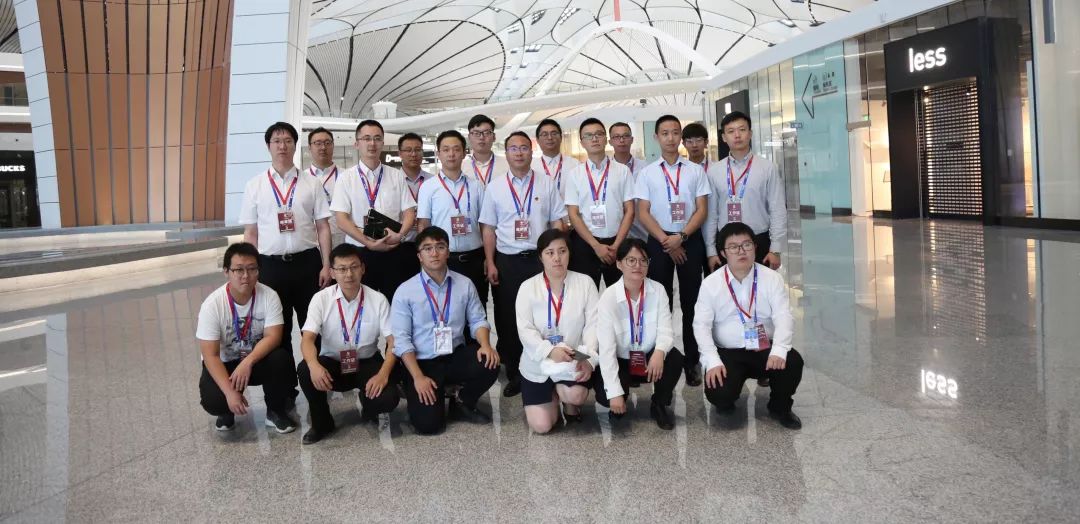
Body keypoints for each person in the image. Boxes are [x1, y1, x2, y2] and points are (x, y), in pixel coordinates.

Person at [239, 122, 333, 377]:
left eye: (288, 141)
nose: (282, 146)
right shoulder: (255, 185)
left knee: (313, 325)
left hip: (308, 264)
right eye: (277, 141)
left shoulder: (311, 183)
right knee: (277, 328)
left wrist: (326, 265)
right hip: (270, 266)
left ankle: (317, 380)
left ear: (295, 145)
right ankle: (285, 388)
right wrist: (251, 270)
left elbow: (323, 227)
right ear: (268, 146)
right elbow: (251, 233)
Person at [480, 131, 568, 397]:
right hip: (507, 261)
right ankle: (516, 372)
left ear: (532, 151)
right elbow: (488, 228)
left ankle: (547, 363)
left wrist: (557, 256)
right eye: (513, 148)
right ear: (506, 153)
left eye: (523, 148)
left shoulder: (546, 183)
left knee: (544, 313)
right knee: (508, 317)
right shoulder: (495, 187)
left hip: (540, 261)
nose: (519, 153)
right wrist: (490, 262)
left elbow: (557, 221)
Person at [693, 222, 803, 430]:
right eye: (733, 247)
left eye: (746, 245)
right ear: (723, 253)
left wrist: (779, 349)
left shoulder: (772, 278)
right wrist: (712, 360)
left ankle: (780, 407)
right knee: (719, 393)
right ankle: (727, 400)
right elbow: (701, 326)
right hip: (729, 351)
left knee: (792, 362)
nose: (741, 251)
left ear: (755, 247)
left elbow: (783, 316)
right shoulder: (711, 284)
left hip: (764, 347)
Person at [391, 227, 501, 435]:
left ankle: (462, 402)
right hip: (422, 362)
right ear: (419, 256)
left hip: (454, 355)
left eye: (440, 247)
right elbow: (401, 340)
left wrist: (486, 345)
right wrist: (418, 377)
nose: (434, 253)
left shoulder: (464, 284)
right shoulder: (405, 291)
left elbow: (478, 320)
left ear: (448, 252)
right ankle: (419, 388)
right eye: (427, 248)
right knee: (428, 426)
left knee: (490, 361)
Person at [634, 114, 711, 387]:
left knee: (692, 303)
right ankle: (661, 359)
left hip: (689, 239)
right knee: (659, 302)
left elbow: (702, 209)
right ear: (656, 137)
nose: (670, 138)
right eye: (665, 133)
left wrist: (682, 236)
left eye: (675, 132)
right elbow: (643, 212)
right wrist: (667, 241)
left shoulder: (695, 171)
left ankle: (692, 361)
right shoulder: (647, 173)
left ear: (681, 136)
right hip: (658, 241)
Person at [296, 244, 399, 444]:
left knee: (388, 398)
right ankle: (322, 422)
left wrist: (383, 374)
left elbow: (392, 341)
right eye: (342, 269)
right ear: (332, 273)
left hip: (366, 361)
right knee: (306, 370)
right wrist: (314, 365)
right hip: (333, 363)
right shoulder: (321, 299)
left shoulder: (378, 299)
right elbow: (307, 338)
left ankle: (369, 404)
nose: (349, 274)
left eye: (354, 267)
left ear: (363, 269)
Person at [196, 242, 297, 434]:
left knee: (281, 359)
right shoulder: (212, 305)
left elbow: (273, 337)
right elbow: (210, 355)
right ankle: (226, 410)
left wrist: (248, 362)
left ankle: (275, 411)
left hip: (255, 360)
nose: (246, 276)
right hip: (225, 364)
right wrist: (229, 392)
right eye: (239, 270)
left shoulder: (269, 296)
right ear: (226, 272)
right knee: (215, 401)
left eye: (252, 269)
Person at [593, 238, 683, 430]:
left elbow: (666, 330)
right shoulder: (608, 297)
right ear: (619, 264)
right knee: (605, 395)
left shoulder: (658, 290)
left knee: (674, 358)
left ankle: (659, 404)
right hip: (621, 360)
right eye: (631, 260)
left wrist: (659, 352)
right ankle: (619, 400)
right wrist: (614, 393)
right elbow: (606, 348)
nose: (637, 266)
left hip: (649, 358)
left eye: (643, 261)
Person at [515, 229, 599, 433]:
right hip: (537, 364)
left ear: (569, 253)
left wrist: (588, 358)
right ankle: (552, 396)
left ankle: (568, 402)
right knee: (542, 426)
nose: (557, 258)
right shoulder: (527, 287)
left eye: (562, 251)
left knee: (575, 395)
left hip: (572, 359)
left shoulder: (585, 283)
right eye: (550, 252)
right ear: (540, 257)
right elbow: (525, 329)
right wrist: (550, 351)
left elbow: (594, 325)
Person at [331, 119, 417, 300]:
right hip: (359, 253)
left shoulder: (396, 175)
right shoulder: (346, 178)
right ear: (357, 143)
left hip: (393, 250)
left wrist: (400, 235)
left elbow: (409, 211)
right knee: (362, 303)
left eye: (377, 138)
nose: (372, 143)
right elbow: (341, 219)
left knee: (395, 302)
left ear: (382, 143)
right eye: (367, 138)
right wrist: (368, 243)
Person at [705, 111, 786, 272]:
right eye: (731, 131)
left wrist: (775, 249)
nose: (737, 135)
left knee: (760, 285)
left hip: (759, 240)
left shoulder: (767, 168)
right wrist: (711, 250)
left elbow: (777, 208)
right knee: (728, 286)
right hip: (726, 243)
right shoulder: (714, 171)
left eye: (742, 129)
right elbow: (711, 213)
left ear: (750, 133)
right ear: (724, 137)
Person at [416, 130, 488, 307]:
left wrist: (489, 258)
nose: (451, 154)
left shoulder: (476, 186)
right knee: (445, 309)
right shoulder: (428, 187)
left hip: (475, 259)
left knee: (477, 308)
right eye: (446, 149)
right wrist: (426, 259)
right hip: (442, 260)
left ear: (464, 153)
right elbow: (424, 225)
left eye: (456, 149)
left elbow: (485, 225)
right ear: (438, 153)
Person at [564, 117, 635, 288]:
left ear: (606, 139)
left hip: (616, 242)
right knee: (586, 294)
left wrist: (616, 245)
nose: (594, 139)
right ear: (582, 142)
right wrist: (595, 245)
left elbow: (630, 210)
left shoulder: (622, 171)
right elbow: (573, 214)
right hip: (586, 243)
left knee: (619, 294)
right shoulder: (575, 174)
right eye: (588, 136)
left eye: (598, 134)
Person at [609, 121, 649, 242]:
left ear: (632, 140)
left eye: (626, 136)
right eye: (617, 137)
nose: (622, 140)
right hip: (614, 232)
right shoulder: (605, 170)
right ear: (610, 142)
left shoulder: (645, 168)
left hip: (642, 231)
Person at [398, 132, 429, 282]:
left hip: (428, 245)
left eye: (417, 150)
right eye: (408, 150)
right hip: (401, 245)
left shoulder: (433, 181)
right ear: (400, 153)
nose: (413, 154)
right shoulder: (392, 180)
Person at [307, 127, 344, 247]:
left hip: (344, 239)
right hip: (313, 241)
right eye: (318, 143)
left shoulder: (347, 176)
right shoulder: (301, 179)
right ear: (309, 147)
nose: (323, 147)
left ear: (333, 145)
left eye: (327, 143)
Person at [531, 118, 579, 201]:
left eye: (554, 133)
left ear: (561, 137)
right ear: (537, 140)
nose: (550, 137)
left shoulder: (575, 165)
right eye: (545, 134)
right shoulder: (531, 167)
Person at [464, 114, 508, 187]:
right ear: (469, 137)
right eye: (476, 133)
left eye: (486, 133)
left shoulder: (507, 165)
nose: (481, 137)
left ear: (494, 137)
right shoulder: (461, 167)